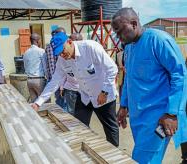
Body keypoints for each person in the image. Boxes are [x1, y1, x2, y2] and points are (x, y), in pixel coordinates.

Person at [111, 8, 187, 163]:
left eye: (120, 32)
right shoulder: (129, 47)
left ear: (133, 23)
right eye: (116, 33)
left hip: (158, 117)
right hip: (138, 117)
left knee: (143, 159)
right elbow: (129, 79)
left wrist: (172, 113)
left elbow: (180, 75)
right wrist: (124, 105)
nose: (118, 37)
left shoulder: (158, 40)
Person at [31, 31, 119, 147]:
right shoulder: (62, 60)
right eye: (59, 54)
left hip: (103, 96)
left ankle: (114, 154)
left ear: (70, 42)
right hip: (85, 96)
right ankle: (83, 150)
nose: (62, 55)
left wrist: (104, 91)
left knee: (110, 128)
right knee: (79, 126)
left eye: (63, 51)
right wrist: (38, 103)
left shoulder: (90, 48)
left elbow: (112, 69)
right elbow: (54, 81)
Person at [59, 33, 83, 115]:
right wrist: (61, 86)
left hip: (83, 90)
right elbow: (63, 73)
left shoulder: (86, 54)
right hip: (70, 90)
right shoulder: (64, 55)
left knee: (81, 114)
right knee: (70, 112)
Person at [45, 27, 66, 109]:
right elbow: (51, 65)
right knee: (62, 102)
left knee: (61, 101)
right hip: (60, 79)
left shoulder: (49, 46)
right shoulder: (53, 47)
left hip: (59, 79)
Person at [23, 33, 47, 102]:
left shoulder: (26, 52)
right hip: (39, 80)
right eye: (40, 40)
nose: (40, 42)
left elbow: (25, 66)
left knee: (34, 102)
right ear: (37, 41)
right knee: (44, 102)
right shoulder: (41, 51)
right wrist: (48, 78)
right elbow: (45, 67)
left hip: (29, 80)